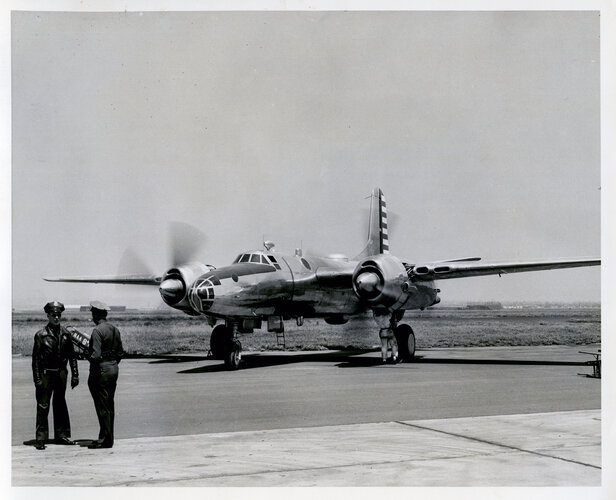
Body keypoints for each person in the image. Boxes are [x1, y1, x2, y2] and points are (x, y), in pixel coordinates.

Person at [31, 301, 79, 450]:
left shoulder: (66, 334)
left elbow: (72, 356)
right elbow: (36, 360)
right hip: (46, 374)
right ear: (48, 316)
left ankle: (62, 435)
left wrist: (75, 375)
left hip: (61, 374)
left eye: (58, 315)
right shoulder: (41, 335)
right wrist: (37, 379)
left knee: (60, 404)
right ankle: (41, 438)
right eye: (53, 315)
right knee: (43, 406)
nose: (56, 318)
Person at [87, 300, 124, 449]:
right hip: (113, 368)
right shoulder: (114, 329)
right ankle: (108, 436)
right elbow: (120, 352)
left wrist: (85, 355)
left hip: (101, 371)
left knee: (102, 406)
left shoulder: (97, 331)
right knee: (109, 404)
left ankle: (105, 440)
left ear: (96, 314)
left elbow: (95, 356)